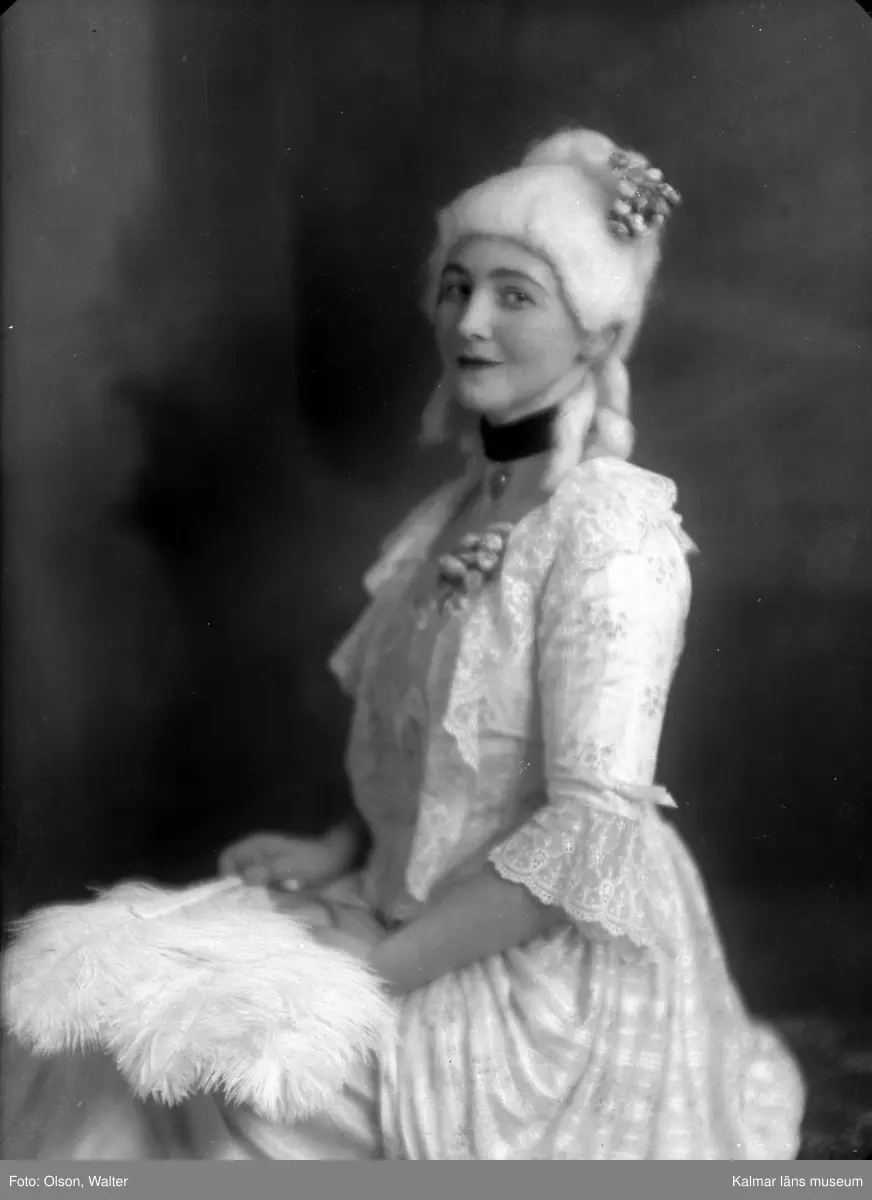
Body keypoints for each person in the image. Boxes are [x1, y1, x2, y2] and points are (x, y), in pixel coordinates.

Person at [3, 127, 805, 1160]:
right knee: (88, 1015)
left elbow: (584, 841)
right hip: (403, 901)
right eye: (456, 287)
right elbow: (441, 749)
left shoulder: (610, 535)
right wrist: (338, 851)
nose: (469, 321)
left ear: (596, 334)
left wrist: (366, 970)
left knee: (204, 1086)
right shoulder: (452, 516)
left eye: (515, 295)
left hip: (533, 963)